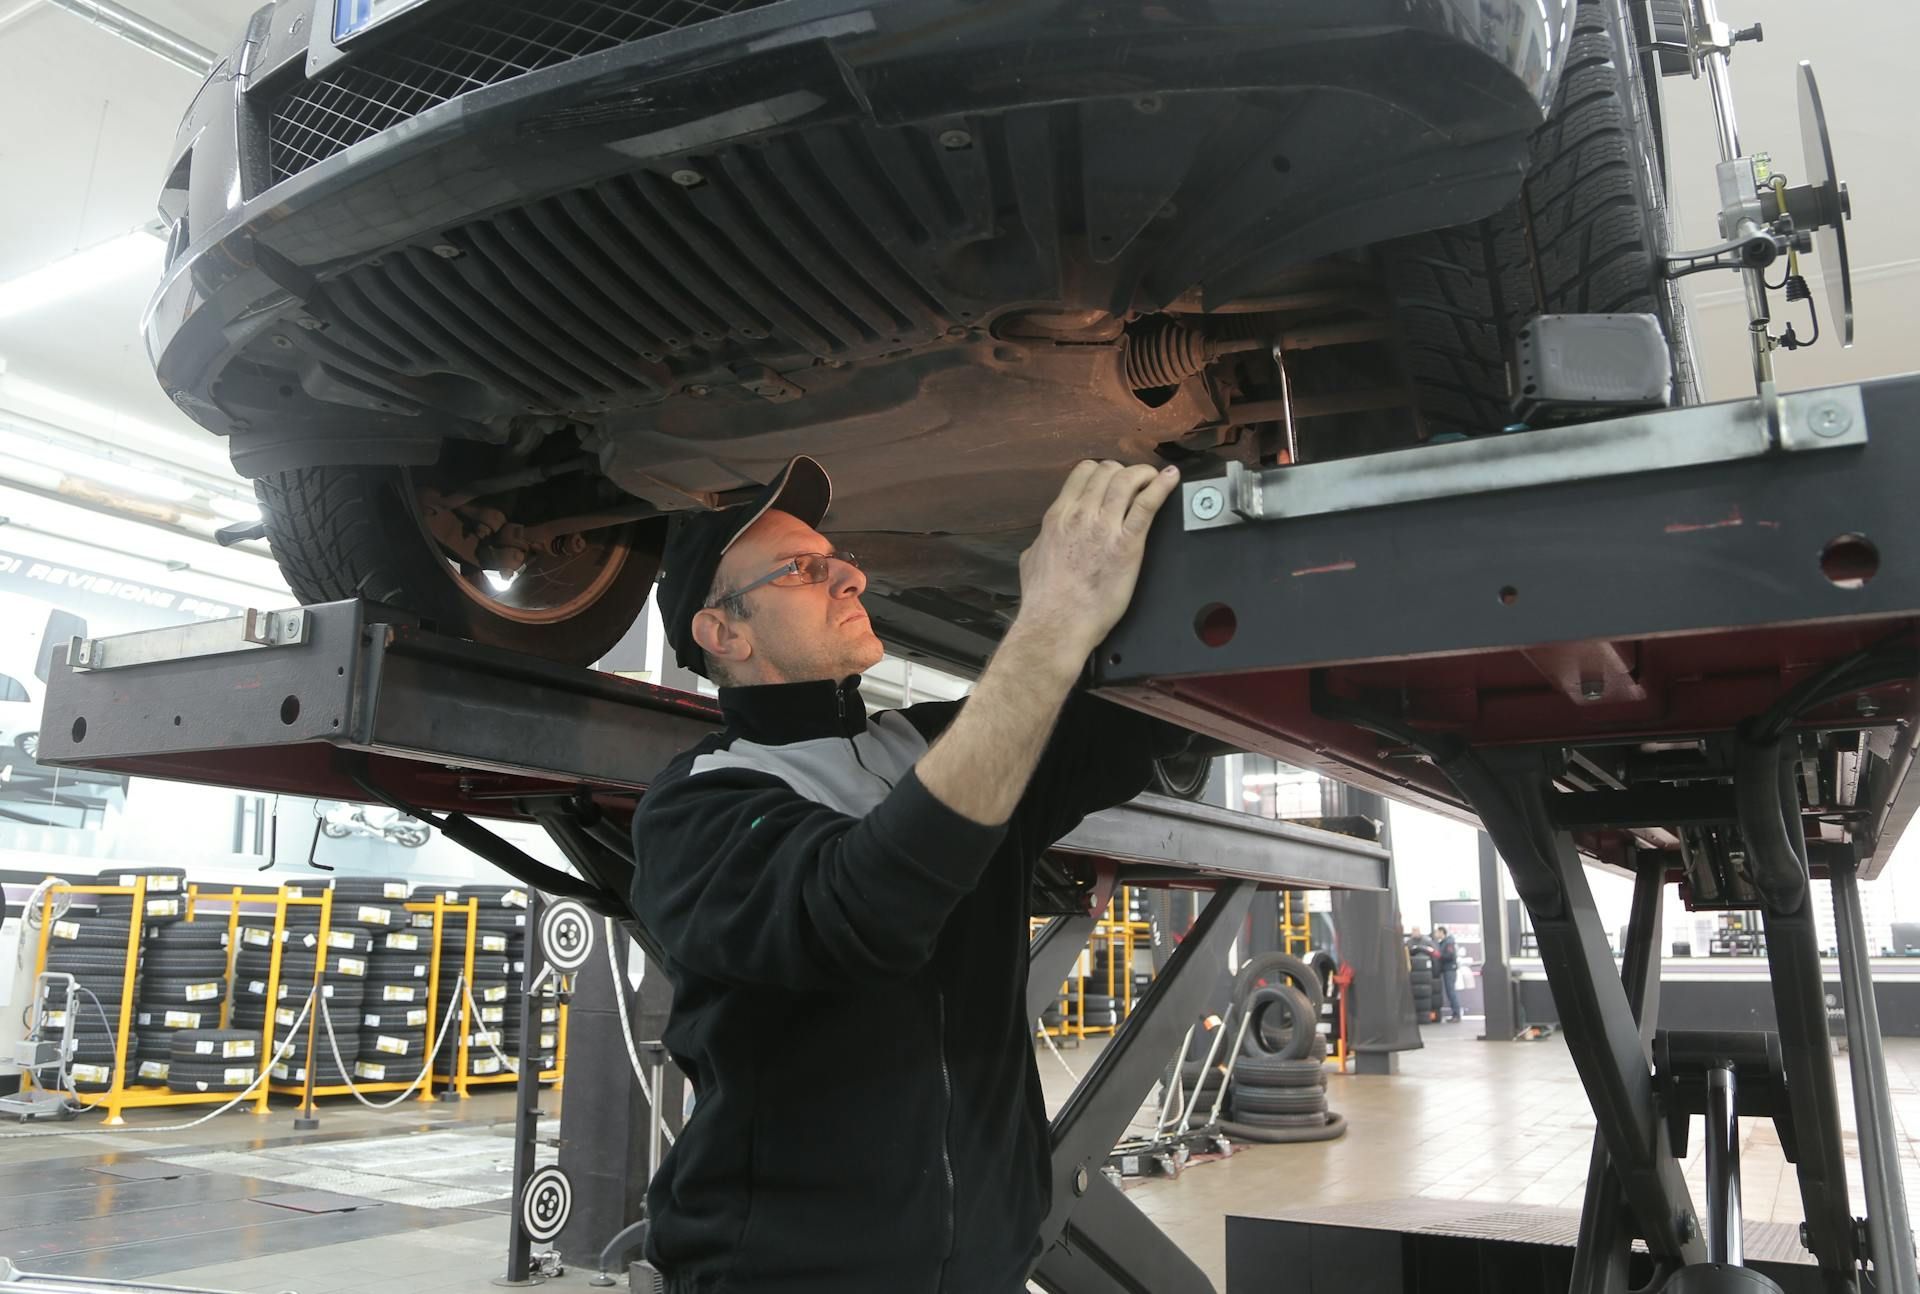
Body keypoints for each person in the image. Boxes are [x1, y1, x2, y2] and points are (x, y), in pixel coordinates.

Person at [629, 455, 1194, 1293]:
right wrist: (1052, 618)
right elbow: (860, 911)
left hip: (988, 1269)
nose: (851, 579)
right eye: (807, 570)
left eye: (843, 560)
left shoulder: (930, 744)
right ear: (724, 632)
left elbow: (1142, 721)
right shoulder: (699, 807)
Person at [1436, 925, 1461, 1021]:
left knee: (1451, 992)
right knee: (1450, 992)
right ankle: (1455, 1014)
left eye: (1437, 932)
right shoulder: (1443, 943)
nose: (1436, 934)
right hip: (1446, 970)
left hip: (1450, 970)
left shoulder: (1449, 942)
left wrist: (1439, 955)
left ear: (1442, 932)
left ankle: (1457, 1014)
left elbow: (1450, 955)